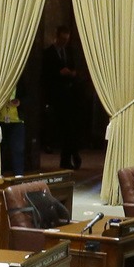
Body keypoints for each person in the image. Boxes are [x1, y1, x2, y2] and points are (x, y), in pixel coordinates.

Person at [44, 26, 90, 166]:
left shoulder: (69, 52)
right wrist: (59, 73)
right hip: (57, 96)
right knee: (64, 128)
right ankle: (70, 156)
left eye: (67, 40)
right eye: (62, 39)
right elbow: (45, 75)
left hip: (71, 95)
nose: (64, 42)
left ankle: (71, 155)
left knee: (72, 127)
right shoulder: (49, 53)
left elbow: (76, 68)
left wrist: (73, 74)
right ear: (57, 37)